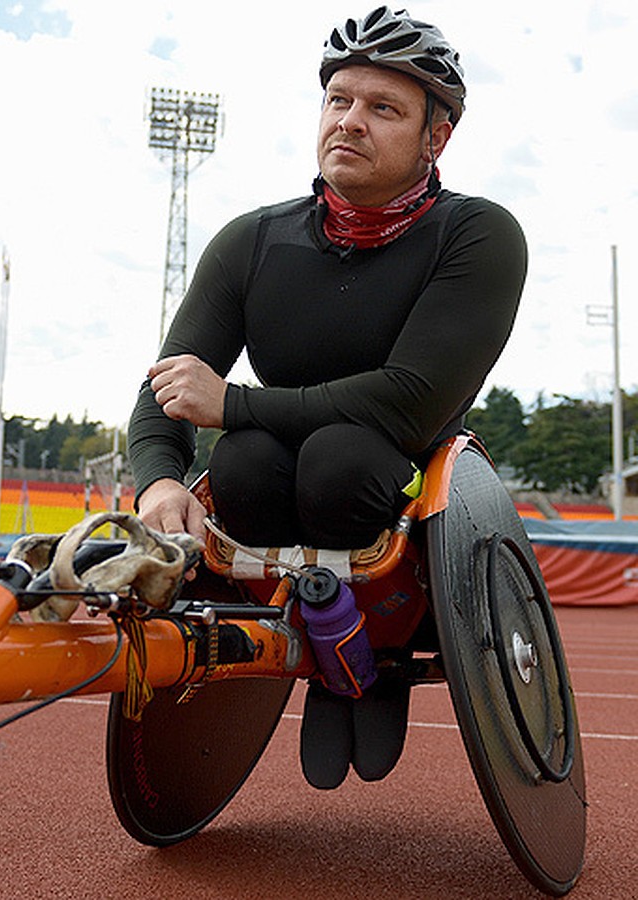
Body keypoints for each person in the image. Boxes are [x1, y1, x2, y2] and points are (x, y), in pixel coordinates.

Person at [126, 7, 527, 788]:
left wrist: (235, 404)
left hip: (400, 495)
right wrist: (160, 479)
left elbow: (409, 402)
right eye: (339, 100)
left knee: (337, 456)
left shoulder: (479, 234)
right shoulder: (253, 240)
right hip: (275, 492)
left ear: (434, 139)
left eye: (384, 109)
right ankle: (315, 636)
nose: (350, 121)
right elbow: (167, 387)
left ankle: (373, 653)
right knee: (240, 461)